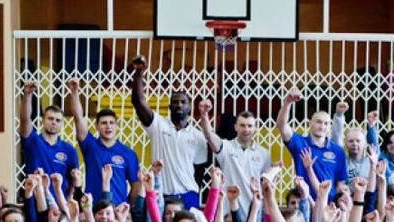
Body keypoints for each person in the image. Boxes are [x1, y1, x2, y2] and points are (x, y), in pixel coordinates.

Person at [130, 56, 208, 209]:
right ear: (169, 107)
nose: (179, 104)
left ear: (190, 108)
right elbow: (138, 101)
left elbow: (199, 172)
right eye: (175, 102)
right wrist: (139, 71)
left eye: (183, 102)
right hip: (161, 194)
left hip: (188, 195)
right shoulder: (158, 125)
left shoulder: (198, 137)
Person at [65, 79, 140, 206]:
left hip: (117, 212)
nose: (108, 126)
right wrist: (74, 92)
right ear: (97, 127)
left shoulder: (129, 154)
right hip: (92, 209)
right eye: (104, 123)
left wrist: (126, 207)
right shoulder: (91, 146)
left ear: (117, 127)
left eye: (112, 123)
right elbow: (78, 118)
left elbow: (136, 186)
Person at [277, 88, 347, 201]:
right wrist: (287, 103)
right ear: (310, 123)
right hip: (305, 203)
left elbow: (340, 184)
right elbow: (281, 126)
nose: (322, 126)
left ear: (330, 126)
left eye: (326, 123)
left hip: (329, 207)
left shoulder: (338, 151)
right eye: (318, 122)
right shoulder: (300, 143)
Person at [200, 104, 271, 213]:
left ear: (255, 128)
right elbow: (209, 135)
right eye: (242, 125)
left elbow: (266, 185)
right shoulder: (226, 147)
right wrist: (204, 115)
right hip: (228, 213)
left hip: (254, 212)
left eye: (250, 126)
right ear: (236, 127)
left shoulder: (264, 154)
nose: (246, 129)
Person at [19, 80, 80, 189]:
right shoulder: (33, 141)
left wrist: (68, 200)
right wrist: (27, 95)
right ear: (43, 120)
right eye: (50, 118)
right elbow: (25, 119)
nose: (54, 122)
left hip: (59, 203)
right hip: (34, 202)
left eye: (58, 120)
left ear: (62, 123)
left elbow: (74, 181)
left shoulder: (69, 150)